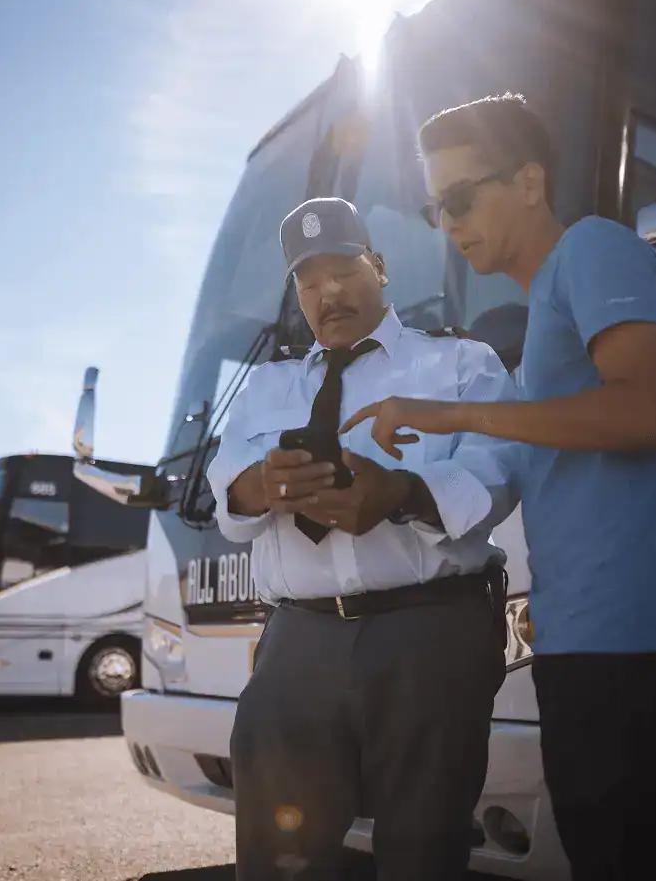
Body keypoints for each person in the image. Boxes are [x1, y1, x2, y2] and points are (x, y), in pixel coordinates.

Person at [340, 93, 656, 881]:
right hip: (594, 635)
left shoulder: (593, 249)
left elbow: (651, 411)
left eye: (459, 197)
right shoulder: (543, 332)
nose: (447, 223)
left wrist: (446, 408)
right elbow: (521, 466)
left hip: (630, 633)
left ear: (528, 181)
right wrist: (396, 491)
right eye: (433, 207)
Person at [206, 195, 525, 881]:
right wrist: (262, 483)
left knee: (423, 853)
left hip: (428, 637)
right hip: (296, 647)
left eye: (344, 270)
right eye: (309, 281)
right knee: (278, 861)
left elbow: (498, 473)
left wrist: (403, 493)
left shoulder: (461, 366)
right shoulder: (266, 387)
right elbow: (224, 484)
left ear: (379, 268)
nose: (329, 292)